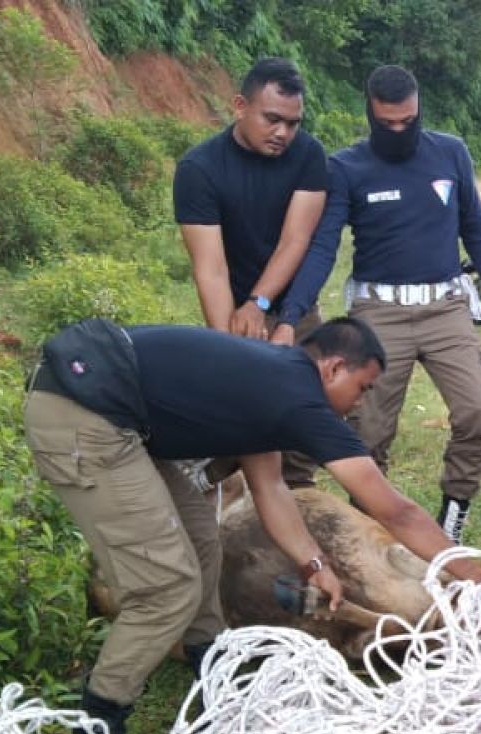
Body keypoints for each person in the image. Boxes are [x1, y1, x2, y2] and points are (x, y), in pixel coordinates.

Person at [23, 317, 481, 734]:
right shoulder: (299, 399)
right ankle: (99, 726)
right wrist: (477, 577)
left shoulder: (272, 382)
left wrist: (315, 565)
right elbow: (397, 513)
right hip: (84, 412)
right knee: (165, 587)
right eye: (362, 388)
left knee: (203, 535)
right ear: (333, 367)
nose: (361, 402)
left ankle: (213, 669)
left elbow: (271, 487)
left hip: (105, 404)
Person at [283, 65, 481, 544]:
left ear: (419, 109)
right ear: (369, 112)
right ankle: (375, 537)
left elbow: (474, 228)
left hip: (445, 305)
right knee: (367, 433)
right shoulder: (346, 167)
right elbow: (324, 246)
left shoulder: (449, 152)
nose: (397, 131)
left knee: (477, 413)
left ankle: (451, 524)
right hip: (379, 311)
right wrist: (290, 315)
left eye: (406, 121)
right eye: (386, 123)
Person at [173, 57, 327, 487]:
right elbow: (210, 267)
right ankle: (206, 486)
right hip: (231, 311)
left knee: (304, 410)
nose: (283, 133)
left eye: (293, 123)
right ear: (240, 105)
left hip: (294, 308)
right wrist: (228, 344)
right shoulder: (199, 169)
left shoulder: (309, 155)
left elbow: (295, 241)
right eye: (272, 119)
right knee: (241, 409)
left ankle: (297, 497)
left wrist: (260, 303)